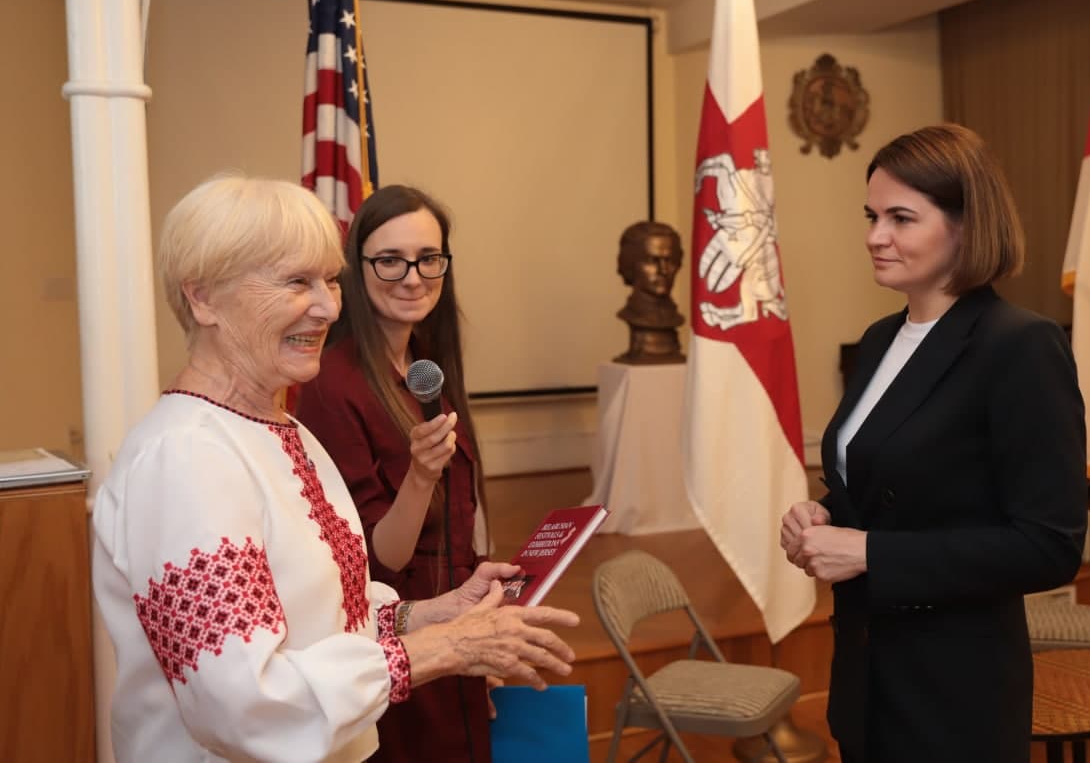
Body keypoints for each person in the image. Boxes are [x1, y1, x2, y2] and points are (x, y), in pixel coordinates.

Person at [92, 175, 578, 763]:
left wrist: (428, 613)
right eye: (296, 282)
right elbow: (239, 704)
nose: (327, 306)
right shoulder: (184, 460)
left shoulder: (283, 430)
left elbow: (324, 613)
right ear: (203, 299)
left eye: (329, 280)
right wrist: (442, 648)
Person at [779, 124, 1087, 763]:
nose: (874, 236)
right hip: (866, 675)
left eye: (901, 218)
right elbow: (881, 485)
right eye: (871, 215)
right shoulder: (876, 340)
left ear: (967, 227)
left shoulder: (1020, 347)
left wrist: (869, 552)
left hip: (954, 691)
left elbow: (1049, 548)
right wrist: (825, 514)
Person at [295, 184, 493, 762]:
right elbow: (381, 559)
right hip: (399, 630)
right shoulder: (332, 383)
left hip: (457, 608)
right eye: (390, 260)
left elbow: (463, 515)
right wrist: (422, 475)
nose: (412, 276)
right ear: (355, 269)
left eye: (428, 258)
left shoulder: (427, 363)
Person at [614, 220, 685, 364]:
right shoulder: (634, 314)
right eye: (652, 261)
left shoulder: (674, 315)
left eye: (669, 260)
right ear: (630, 264)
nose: (663, 270)